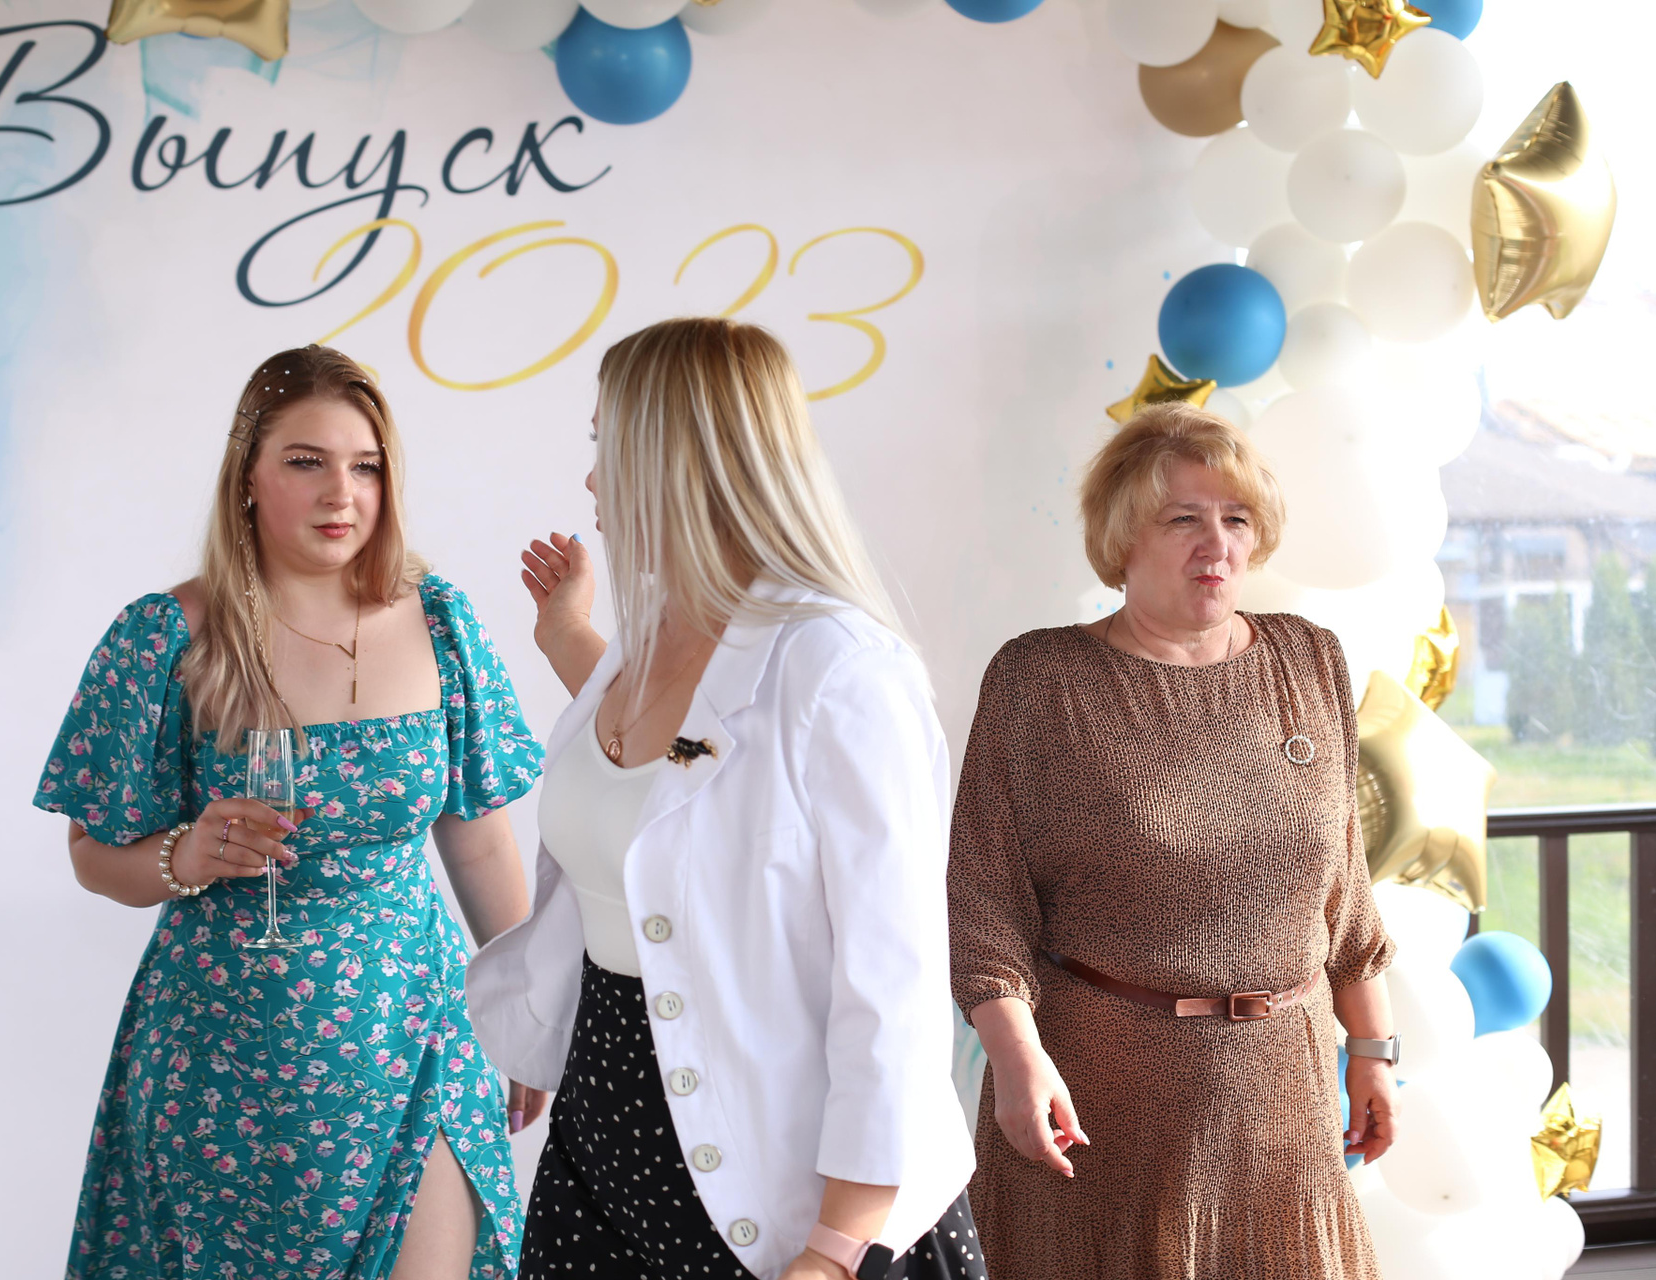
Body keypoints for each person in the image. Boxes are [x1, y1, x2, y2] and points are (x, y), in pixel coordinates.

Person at [465, 317, 981, 1280]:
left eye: (608, 447)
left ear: (681, 459)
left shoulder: (842, 671)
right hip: (606, 1128)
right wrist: (565, 634)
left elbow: (893, 987)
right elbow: (648, 800)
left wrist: (836, 1248)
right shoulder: (650, 639)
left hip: (787, 1184)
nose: (591, 481)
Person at [32, 345, 544, 1280]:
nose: (340, 493)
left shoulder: (440, 621)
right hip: (221, 1058)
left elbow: (477, 841)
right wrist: (185, 855)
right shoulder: (166, 636)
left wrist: (528, 1009)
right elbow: (90, 854)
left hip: (415, 1028)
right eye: (306, 462)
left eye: (366, 465)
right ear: (248, 477)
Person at [948, 402, 1400, 1279]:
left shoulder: (1309, 660)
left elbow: (1344, 891)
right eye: (1184, 519)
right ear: (1123, 538)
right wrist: (1016, 1059)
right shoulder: (1041, 679)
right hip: (1094, 1108)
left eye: (1237, 519)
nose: (1217, 544)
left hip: (1287, 1102)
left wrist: (1373, 1051)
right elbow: (982, 905)